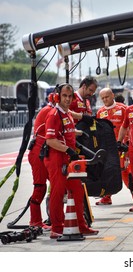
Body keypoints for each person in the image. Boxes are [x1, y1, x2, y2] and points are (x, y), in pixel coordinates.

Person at [44, 83, 99, 239]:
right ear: (57, 96)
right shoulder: (54, 115)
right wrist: (68, 150)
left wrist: (79, 133)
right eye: (64, 96)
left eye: (70, 96)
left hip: (69, 158)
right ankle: (56, 228)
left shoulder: (67, 114)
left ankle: (81, 225)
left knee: (77, 190)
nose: (67, 99)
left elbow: (67, 130)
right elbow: (50, 140)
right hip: (56, 158)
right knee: (57, 192)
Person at [95, 88, 133, 205]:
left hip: (122, 146)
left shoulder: (123, 109)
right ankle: (106, 197)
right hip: (107, 148)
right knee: (108, 172)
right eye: (102, 98)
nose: (105, 100)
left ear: (112, 95)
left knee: (126, 171)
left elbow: (130, 126)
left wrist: (128, 143)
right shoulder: (100, 112)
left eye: (107, 97)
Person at [27, 93, 55, 230]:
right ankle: (35, 221)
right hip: (39, 154)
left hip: (45, 152)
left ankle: (54, 218)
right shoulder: (50, 111)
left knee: (57, 186)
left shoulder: (53, 110)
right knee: (40, 187)